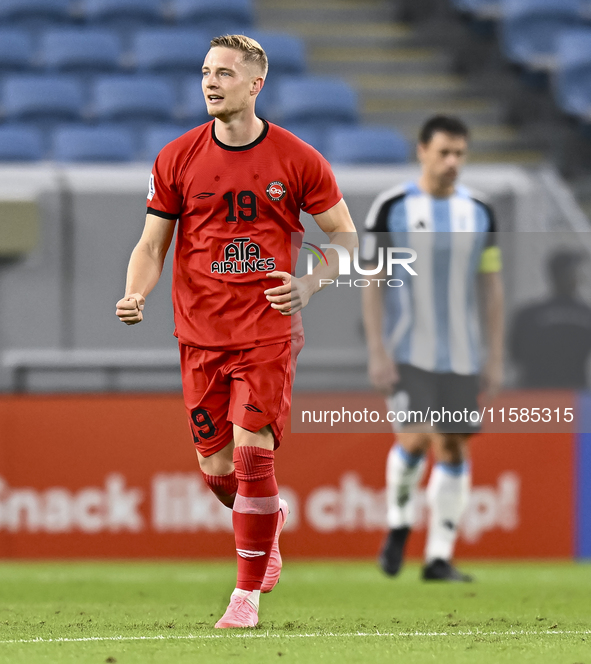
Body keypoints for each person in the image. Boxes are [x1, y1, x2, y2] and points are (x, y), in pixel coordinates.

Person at [115, 35, 357, 628]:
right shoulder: (177, 157)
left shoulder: (299, 159)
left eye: (224, 73)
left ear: (255, 85)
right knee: (218, 471)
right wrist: (136, 292)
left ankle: (244, 596)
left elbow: (346, 241)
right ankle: (266, 521)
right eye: (204, 72)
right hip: (198, 336)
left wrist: (308, 286)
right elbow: (152, 244)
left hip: (266, 334)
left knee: (252, 460)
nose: (209, 82)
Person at [361, 115, 504, 582]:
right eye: (443, 152)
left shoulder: (479, 211)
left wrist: (495, 354)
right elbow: (373, 284)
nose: (452, 162)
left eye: (460, 154)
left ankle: (439, 556)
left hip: (461, 354)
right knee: (416, 438)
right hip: (408, 350)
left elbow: (491, 286)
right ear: (422, 151)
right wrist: (377, 350)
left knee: (454, 446)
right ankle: (400, 526)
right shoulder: (392, 207)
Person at [510, 248, 591, 389]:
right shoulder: (586, 314)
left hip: (534, 394)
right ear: (565, 275)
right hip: (575, 397)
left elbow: (515, 356)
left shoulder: (528, 314)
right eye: (575, 272)